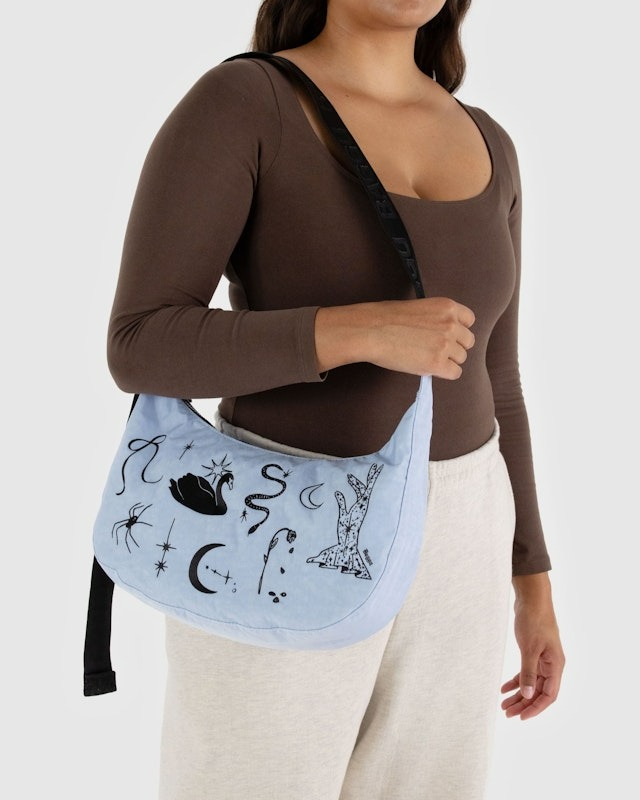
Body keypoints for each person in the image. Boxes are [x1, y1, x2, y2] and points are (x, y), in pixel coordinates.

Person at [106, 1, 566, 797]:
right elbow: (141, 342)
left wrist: (533, 580)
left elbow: (500, 376)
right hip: (279, 517)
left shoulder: (489, 139)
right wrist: (353, 331)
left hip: (466, 535)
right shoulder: (246, 104)